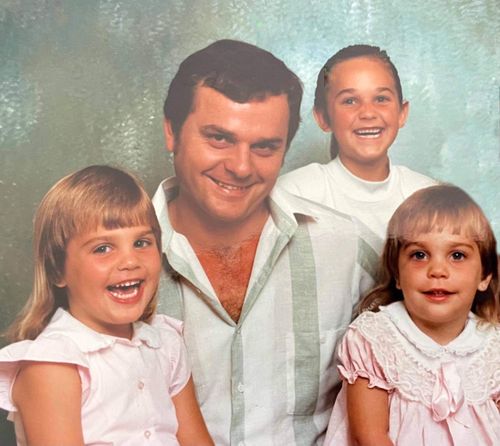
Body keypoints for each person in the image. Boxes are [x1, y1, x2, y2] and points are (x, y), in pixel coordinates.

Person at [153, 39, 381, 445]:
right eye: (219, 138)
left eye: (264, 147)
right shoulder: (103, 259)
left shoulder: (347, 247)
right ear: (172, 131)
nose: (240, 167)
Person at [0, 166, 213, 446]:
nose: (130, 261)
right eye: (103, 248)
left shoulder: (165, 345)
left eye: (141, 242)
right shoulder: (55, 363)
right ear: (57, 271)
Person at [324, 184, 500, 445]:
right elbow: (369, 437)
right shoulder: (375, 338)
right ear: (397, 273)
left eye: (457, 255)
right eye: (419, 255)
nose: (437, 270)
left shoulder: (492, 343)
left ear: (484, 276)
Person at [278, 44, 437, 240]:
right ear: (323, 118)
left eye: (381, 98)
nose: (368, 113)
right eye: (350, 101)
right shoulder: (293, 194)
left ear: (402, 113)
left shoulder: (429, 197)